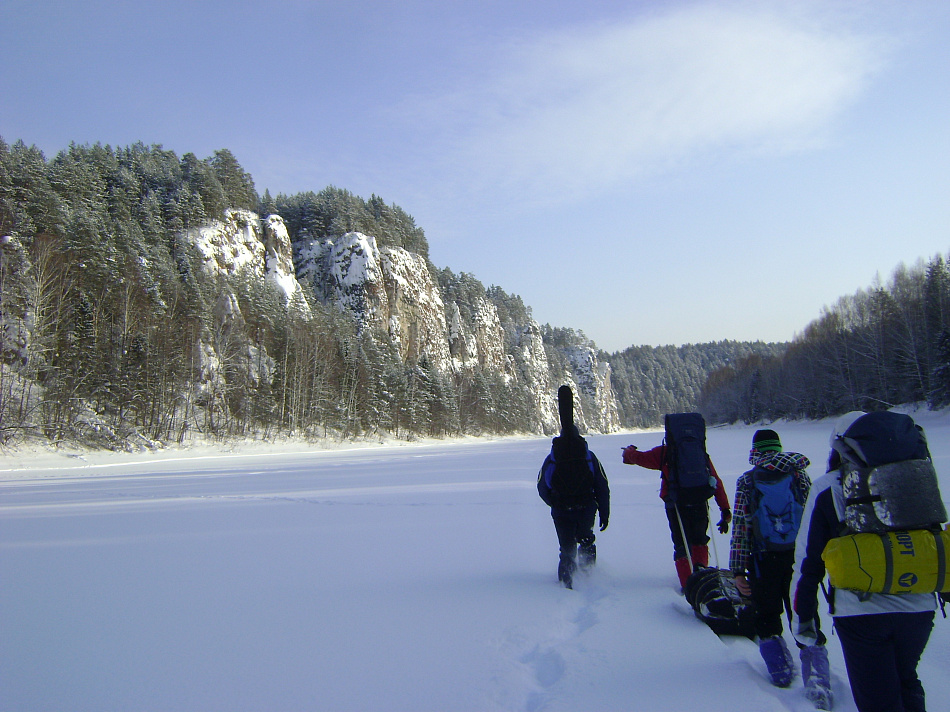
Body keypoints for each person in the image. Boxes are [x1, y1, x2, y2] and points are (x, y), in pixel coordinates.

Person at [792, 411, 939, 712]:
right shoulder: (914, 478)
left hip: (861, 611)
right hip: (919, 607)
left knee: (878, 701)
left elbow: (808, 560)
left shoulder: (828, 486)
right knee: (907, 680)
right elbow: (931, 539)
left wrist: (804, 618)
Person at [729, 429, 829, 702]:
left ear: (755, 451)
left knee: (766, 614)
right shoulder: (799, 475)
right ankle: (818, 681)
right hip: (799, 559)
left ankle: (781, 671)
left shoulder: (747, 481)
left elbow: (741, 526)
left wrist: (738, 570)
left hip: (763, 558)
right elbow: (812, 520)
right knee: (804, 612)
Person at [622, 414, 731, 590]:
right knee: (699, 540)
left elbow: (640, 458)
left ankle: (688, 584)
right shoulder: (700, 453)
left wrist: (628, 453)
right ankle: (702, 576)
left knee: (681, 544)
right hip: (700, 500)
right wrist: (724, 509)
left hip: (676, 503)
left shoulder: (666, 452)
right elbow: (716, 480)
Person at [537, 386, 610, 589]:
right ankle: (588, 578)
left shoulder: (552, 458)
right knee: (586, 541)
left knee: (567, 549)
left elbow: (542, 486)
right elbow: (602, 485)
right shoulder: (588, 457)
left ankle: (566, 585)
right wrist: (604, 511)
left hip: (561, 510)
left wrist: (555, 502)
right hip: (586, 507)